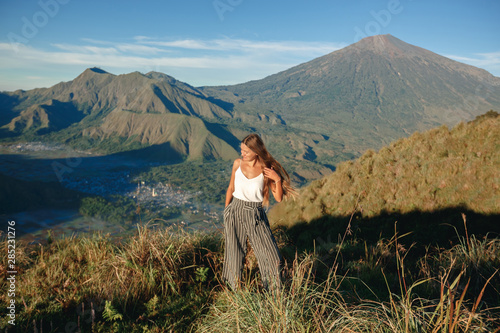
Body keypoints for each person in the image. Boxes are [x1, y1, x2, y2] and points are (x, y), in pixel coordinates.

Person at [222, 133, 295, 291]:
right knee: (234, 254)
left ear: (256, 151)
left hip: (255, 213)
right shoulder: (237, 164)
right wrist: (226, 210)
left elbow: (279, 198)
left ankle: (273, 292)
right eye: (241, 150)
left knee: (272, 256)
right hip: (234, 210)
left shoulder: (267, 169)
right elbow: (231, 188)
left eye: (246, 151)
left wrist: (277, 179)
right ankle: (233, 292)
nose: (242, 154)